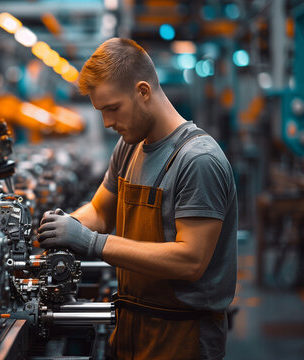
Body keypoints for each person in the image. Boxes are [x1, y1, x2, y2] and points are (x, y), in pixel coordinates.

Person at [37, 38, 238, 359]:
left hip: (181, 336)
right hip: (132, 323)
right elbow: (101, 210)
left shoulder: (197, 160)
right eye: (101, 111)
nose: (106, 123)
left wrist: (91, 243)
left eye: (112, 108)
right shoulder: (130, 146)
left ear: (143, 91)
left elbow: (191, 261)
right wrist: (63, 227)